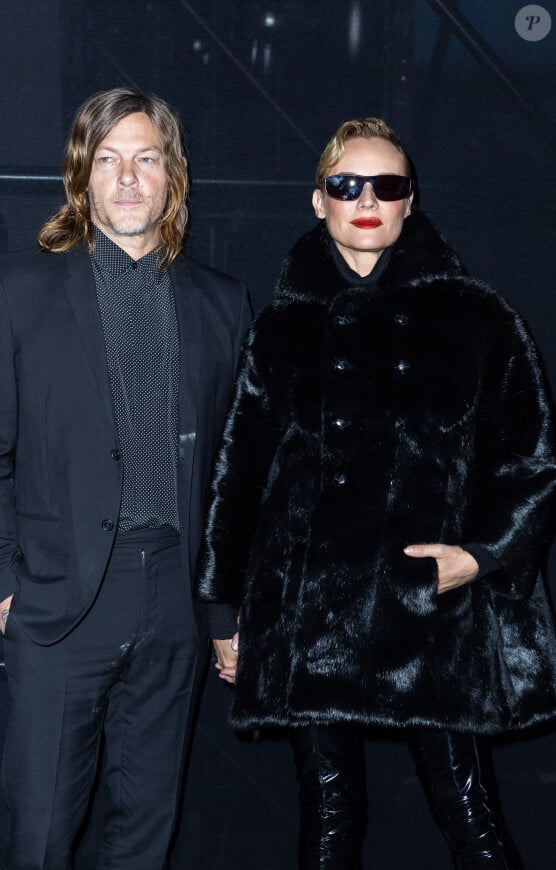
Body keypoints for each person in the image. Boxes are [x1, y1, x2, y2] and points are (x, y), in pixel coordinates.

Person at [196, 117, 556, 869]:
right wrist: (225, 610)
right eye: (346, 185)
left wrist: (480, 557)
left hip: (429, 609)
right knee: (328, 819)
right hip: (307, 611)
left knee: (471, 816)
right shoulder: (281, 330)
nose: (366, 199)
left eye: (386, 186)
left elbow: (529, 459)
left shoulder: (477, 318)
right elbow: (241, 472)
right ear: (318, 201)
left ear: (410, 202)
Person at [0, 87, 250, 869]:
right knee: (40, 834)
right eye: (108, 159)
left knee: (146, 833)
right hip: (58, 602)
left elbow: (232, 476)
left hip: (173, 600)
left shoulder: (222, 303)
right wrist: (0, 585)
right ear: (81, 177)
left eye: (146, 158)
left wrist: (222, 613)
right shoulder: (14, 289)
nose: (127, 178)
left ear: (172, 178)